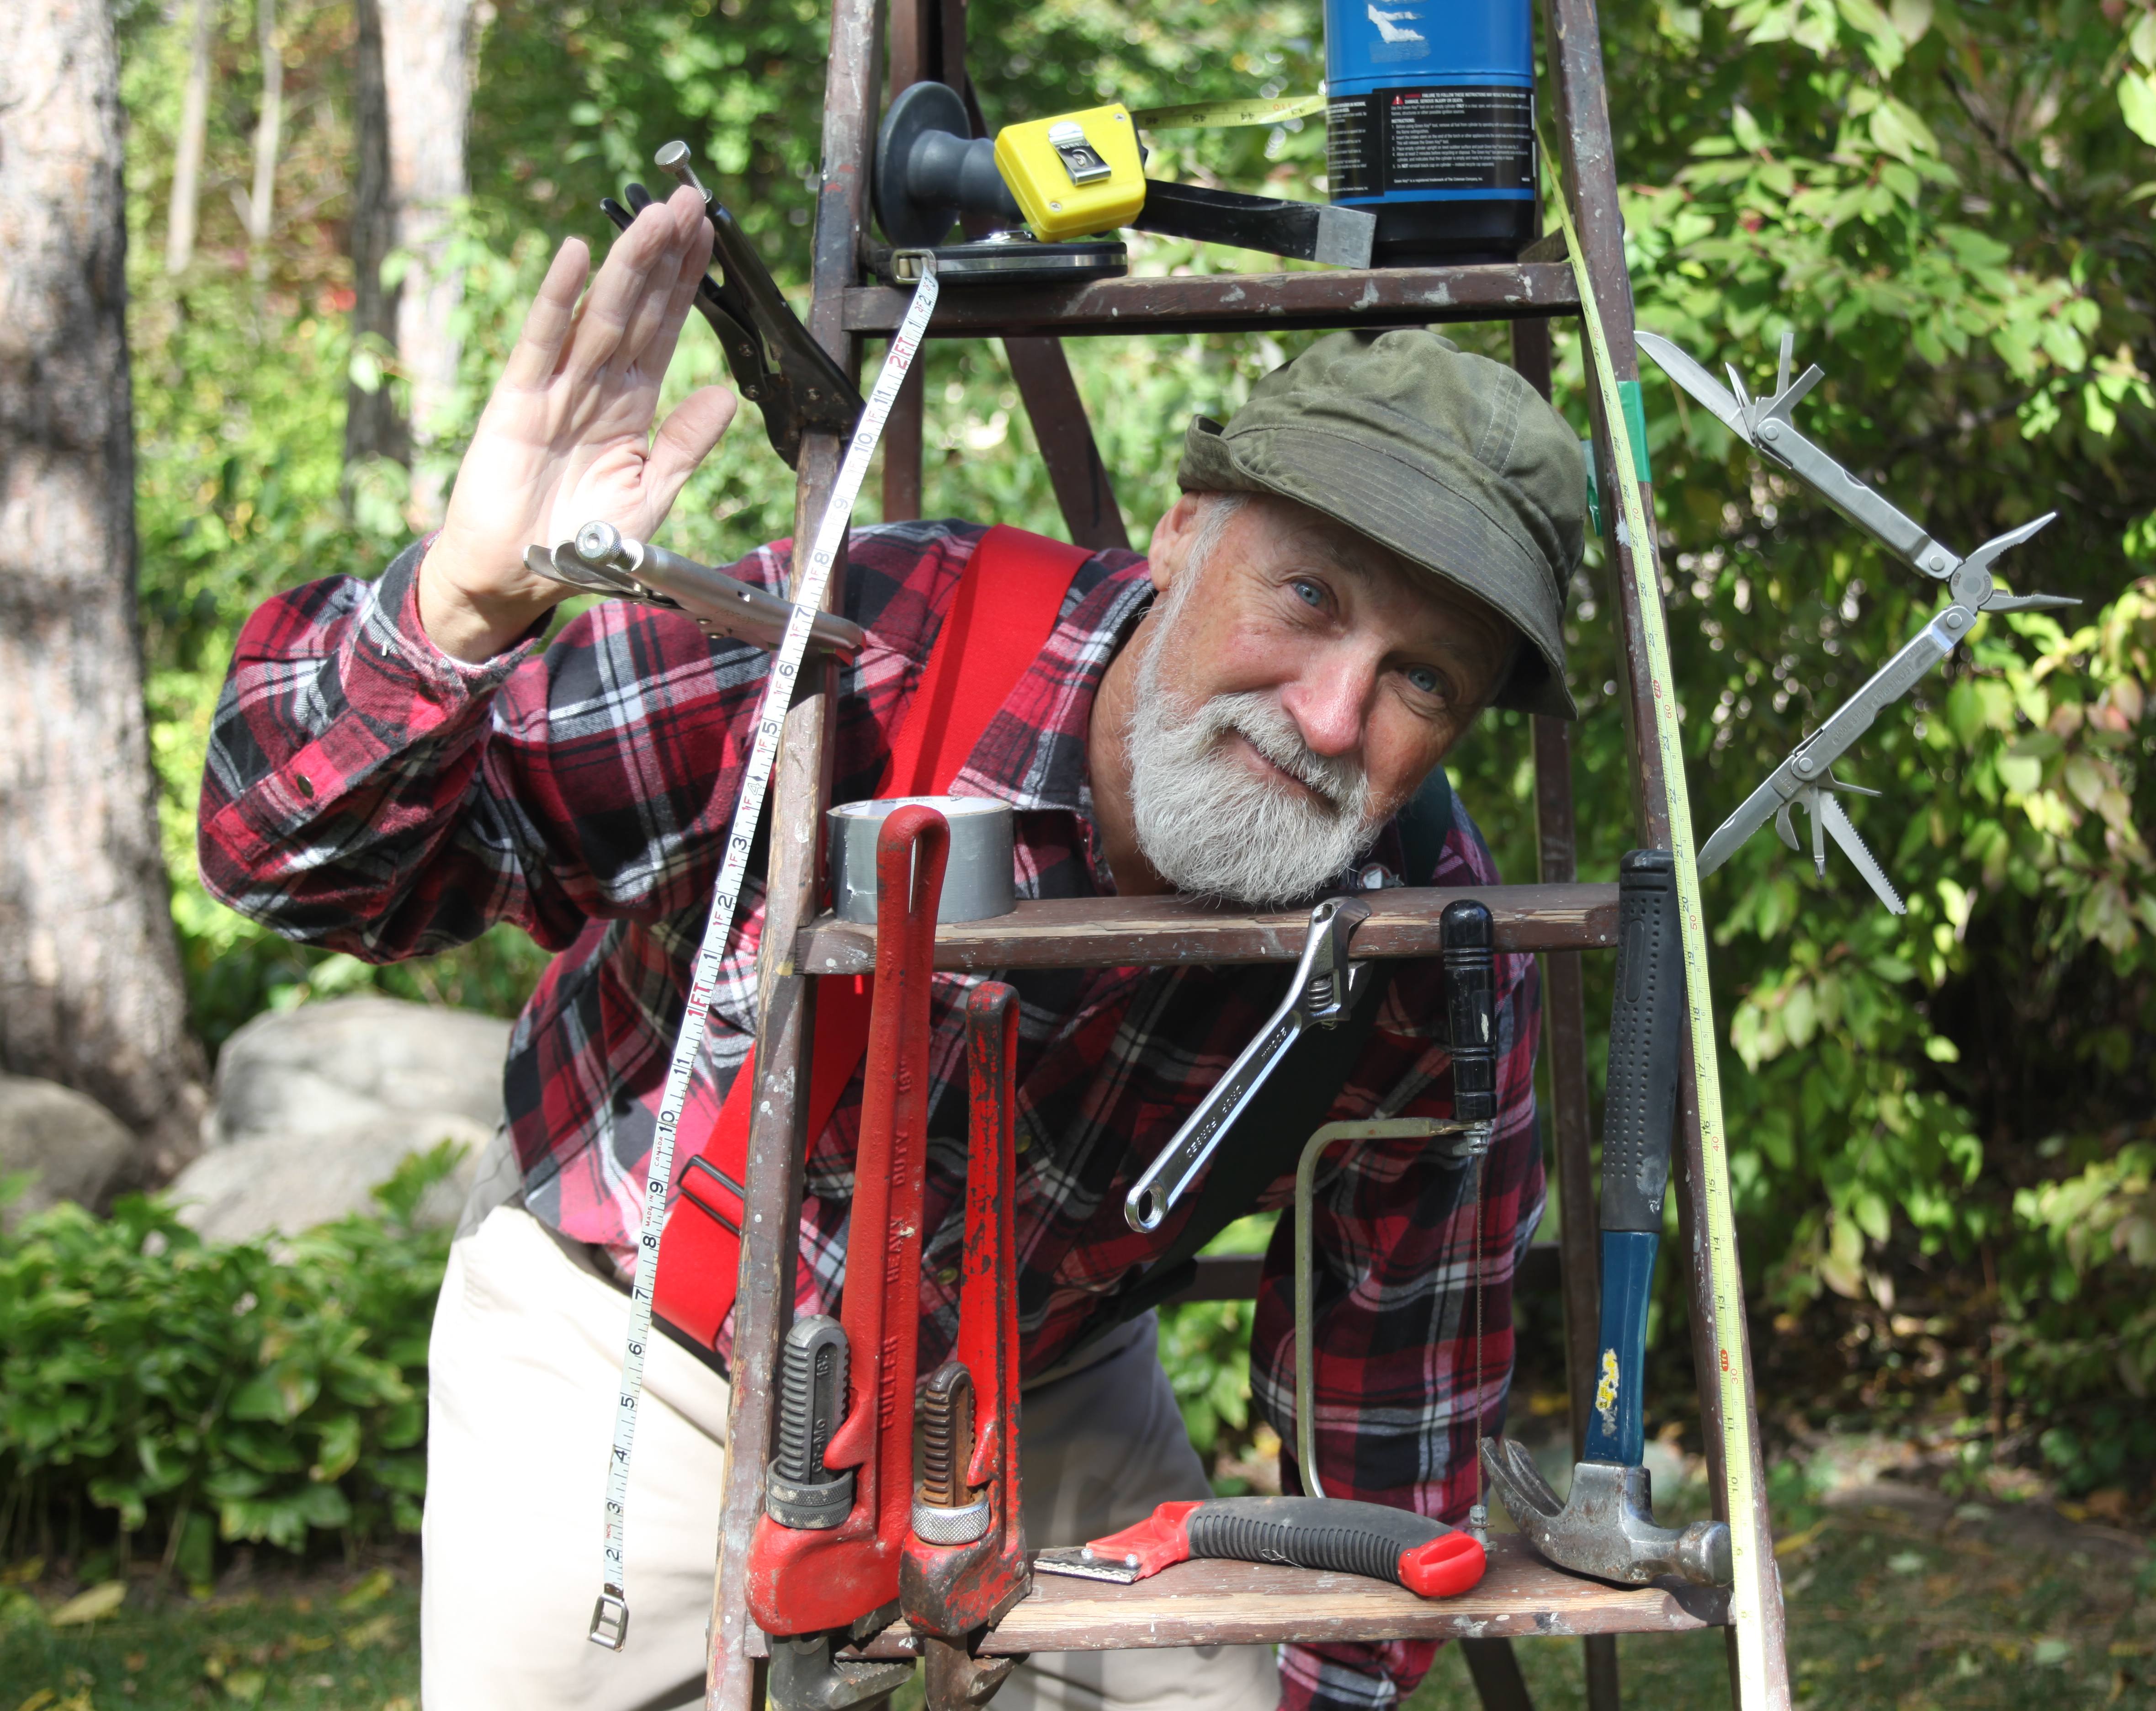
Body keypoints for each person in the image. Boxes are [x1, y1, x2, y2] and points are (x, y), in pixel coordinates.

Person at [200, 186, 1588, 1711]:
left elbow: (1392, 1411)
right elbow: (293, 867)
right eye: (1308, 596)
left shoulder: (1426, 934)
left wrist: (1338, 1682)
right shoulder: (860, 651)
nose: (1330, 717)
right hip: (640, 1360)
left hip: (1040, 1394)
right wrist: (460, 608)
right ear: (1186, 532)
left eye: (1422, 683)